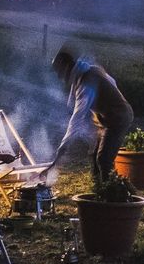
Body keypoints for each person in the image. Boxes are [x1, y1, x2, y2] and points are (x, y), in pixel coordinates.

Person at [50, 50, 133, 181]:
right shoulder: (90, 70)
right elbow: (112, 81)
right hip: (107, 119)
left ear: (65, 67)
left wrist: (62, 148)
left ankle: (112, 195)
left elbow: (77, 119)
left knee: (103, 159)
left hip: (118, 118)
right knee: (94, 155)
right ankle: (98, 190)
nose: (59, 76)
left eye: (58, 71)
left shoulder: (86, 84)